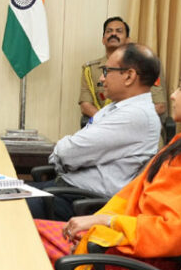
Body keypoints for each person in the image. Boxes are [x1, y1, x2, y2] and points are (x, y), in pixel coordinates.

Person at [38, 57, 181, 270]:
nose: (172, 95)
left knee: (29, 246)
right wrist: (97, 226)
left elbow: (171, 233)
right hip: (125, 246)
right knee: (26, 234)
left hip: (149, 268)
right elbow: (130, 197)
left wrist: (105, 223)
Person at [27, 43, 161, 220]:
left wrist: (65, 149)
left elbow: (69, 152)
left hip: (82, 203)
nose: (102, 78)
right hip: (67, 189)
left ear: (129, 76)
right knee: (0, 193)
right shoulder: (116, 107)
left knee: (4, 206)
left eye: (107, 71)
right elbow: (75, 148)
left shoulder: (136, 115)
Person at [80, 17, 167, 119]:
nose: (113, 34)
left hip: (138, 123)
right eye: (109, 31)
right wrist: (107, 121)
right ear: (103, 40)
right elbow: (85, 105)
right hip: (104, 123)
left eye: (119, 31)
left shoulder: (145, 65)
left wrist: (125, 119)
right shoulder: (90, 70)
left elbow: (160, 106)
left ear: (128, 40)